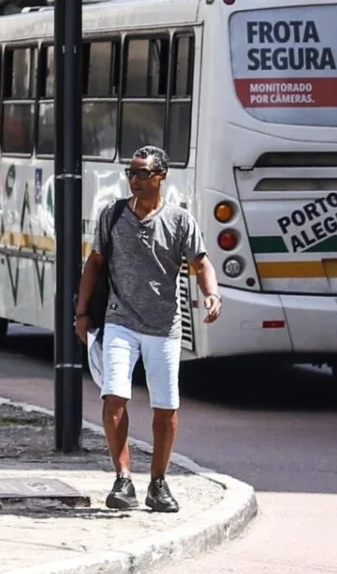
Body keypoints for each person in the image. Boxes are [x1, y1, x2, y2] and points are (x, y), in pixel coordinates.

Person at [72, 145, 223, 513]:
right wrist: (81, 312)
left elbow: (201, 263)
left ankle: (158, 482)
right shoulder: (112, 215)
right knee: (114, 396)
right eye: (131, 173)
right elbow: (95, 263)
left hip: (163, 326)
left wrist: (212, 294)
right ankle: (123, 478)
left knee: (166, 407)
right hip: (120, 320)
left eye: (143, 173)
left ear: (161, 177)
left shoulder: (179, 221)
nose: (135, 179)